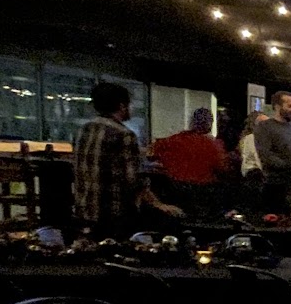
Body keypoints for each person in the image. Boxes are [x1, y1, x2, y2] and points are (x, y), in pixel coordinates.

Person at [72, 82, 179, 236]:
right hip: (112, 216)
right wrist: (158, 204)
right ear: (122, 106)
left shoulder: (82, 130)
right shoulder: (124, 134)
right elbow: (133, 180)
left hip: (83, 211)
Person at [150, 107, 229, 214]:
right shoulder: (214, 145)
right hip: (202, 195)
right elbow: (223, 168)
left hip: (175, 193)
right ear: (210, 124)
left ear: (192, 122)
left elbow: (151, 152)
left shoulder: (174, 140)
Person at [253, 91, 291, 215]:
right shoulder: (265, 127)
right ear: (277, 107)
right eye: (290, 106)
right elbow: (266, 156)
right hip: (275, 188)